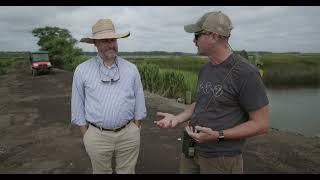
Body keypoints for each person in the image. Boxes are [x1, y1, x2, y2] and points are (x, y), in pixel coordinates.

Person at [155, 11, 269, 174]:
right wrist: (177, 118)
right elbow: (202, 101)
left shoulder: (246, 73)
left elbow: (261, 124)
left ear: (214, 36)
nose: (193, 40)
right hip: (191, 151)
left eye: (197, 35)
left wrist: (218, 135)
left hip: (222, 159)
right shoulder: (206, 68)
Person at [71, 18, 147, 174]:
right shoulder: (82, 70)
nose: (110, 44)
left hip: (128, 133)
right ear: (95, 44)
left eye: (112, 40)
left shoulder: (131, 69)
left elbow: (139, 100)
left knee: (127, 171)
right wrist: (86, 134)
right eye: (104, 41)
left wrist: (135, 127)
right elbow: (77, 104)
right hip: (96, 135)